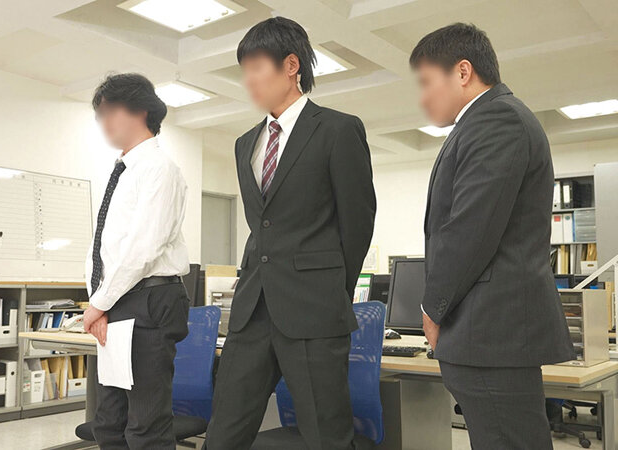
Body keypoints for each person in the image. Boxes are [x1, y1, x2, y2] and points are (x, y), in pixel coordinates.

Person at [205, 17, 376, 450]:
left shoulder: (337, 130)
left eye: (256, 68)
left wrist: (330, 292)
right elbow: (261, 226)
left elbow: (358, 222)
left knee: (327, 436)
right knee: (223, 432)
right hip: (252, 310)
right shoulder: (245, 143)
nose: (248, 80)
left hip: (314, 311)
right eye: (243, 71)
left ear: (291, 65)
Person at [412, 23, 575, 449]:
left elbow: (469, 230)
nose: (423, 97)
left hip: (491, 333)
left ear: (463, 72)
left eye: (427, 82)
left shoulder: (496, 119)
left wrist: (432, 308)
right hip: (485, 334)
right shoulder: (481, 123)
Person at [80, 73, 190, 449]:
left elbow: (143, 248)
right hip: (119, 300)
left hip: (149, 300)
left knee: (145, 426)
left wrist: (99, 303)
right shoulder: (123, 171)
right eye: (100, 114)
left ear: (141, 110)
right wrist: (100, 301)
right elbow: (105, 247)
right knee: (110, 423)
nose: (104, 122)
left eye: (111, 111)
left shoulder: (159, 168)